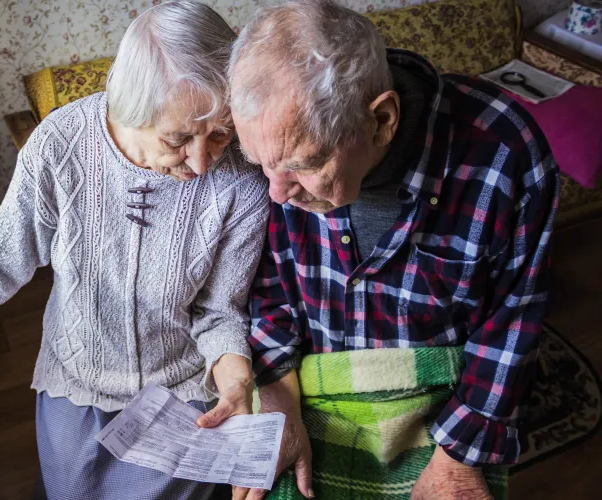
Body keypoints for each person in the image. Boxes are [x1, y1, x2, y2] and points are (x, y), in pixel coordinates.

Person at [0, 2, 269, 499]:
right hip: (79, 377)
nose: (203, 162)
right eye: (178, 139)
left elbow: (219, 310)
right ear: (131, 111)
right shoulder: (60, 147)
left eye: (220, 134)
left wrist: (235, 381)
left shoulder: (243, 180)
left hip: (180, 388)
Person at [228, 1, 559, 499]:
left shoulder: (505, 151)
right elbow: (269, 286)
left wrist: (457, 460)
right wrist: (277, 399)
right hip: (314, 391)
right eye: (259, 164)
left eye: (303, 164)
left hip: (447, 409)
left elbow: (514, 320)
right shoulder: (278, 164)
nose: (276, 193)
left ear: (381, 119)